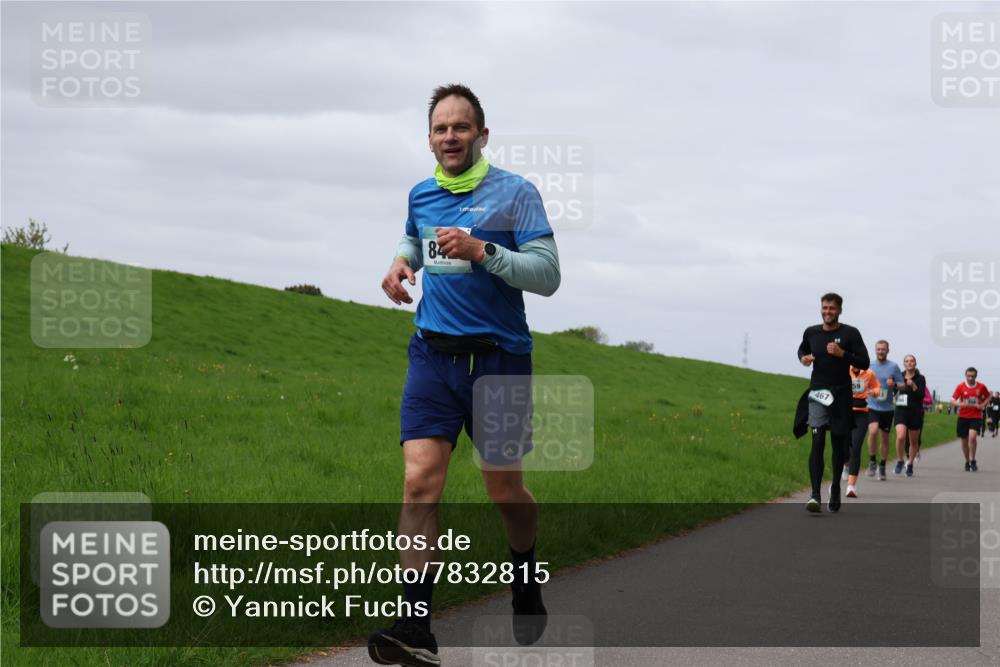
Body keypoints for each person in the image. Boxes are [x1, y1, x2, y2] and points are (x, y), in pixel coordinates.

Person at [371, 84, 560, 666]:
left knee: (504, 491)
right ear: (429, 138)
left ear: (482, 134)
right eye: (439, 129)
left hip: (499, 359)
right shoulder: (422, 193)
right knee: (419, 481)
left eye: (460, 127)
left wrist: (485, 252)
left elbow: (548, 275)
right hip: (432, 355)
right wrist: (402, 260)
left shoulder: (517, 194)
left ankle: (524, 574)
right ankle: (416, 625)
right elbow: (414, 235)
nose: (449, 137)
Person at [796, 293, 870, 513]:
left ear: (839, 311)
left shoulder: (850, 333)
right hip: (818, 392)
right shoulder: (812, 332)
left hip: (841, 394)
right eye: (824, 308)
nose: (827, 312)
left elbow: (864, 362)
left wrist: (843, 354)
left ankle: (836, 486)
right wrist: (803, 358)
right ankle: (815, 495)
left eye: (832, 309)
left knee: (838, 445)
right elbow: (802, 349)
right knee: (817, 440)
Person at [864, 340, 903, 481]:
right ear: (875, 350)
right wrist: (868, 391)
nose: (881, 352)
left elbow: (903, 385)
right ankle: (872, 461)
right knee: (873, 431)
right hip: (872, 405)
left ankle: (882, 466)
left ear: (888, 350)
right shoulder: (869, 365)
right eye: (878, 349)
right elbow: (862, 383)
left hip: (887, 408)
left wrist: (895, 384)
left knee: (885, 439)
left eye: (883, 349)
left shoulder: (893, 367)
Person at [845, 364, 880, 498]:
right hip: (844, 412)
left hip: (861, 413)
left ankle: (851, 486)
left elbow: (877, 388)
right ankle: (845, 464)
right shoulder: (843, 370)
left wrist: (874, 392)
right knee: (843, 447)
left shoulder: (869, 373)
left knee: (856, 447)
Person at [950, 367, 991, 472]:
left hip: (975, 416)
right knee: (964, 441)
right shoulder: (960, 386)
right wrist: (960, 404)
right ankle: (967, 461)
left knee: (972, 437)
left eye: (972, 376)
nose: (970, 378)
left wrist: (982, 405)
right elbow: (952, 400)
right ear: (965, 375)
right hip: (963, 416)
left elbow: (989, 396)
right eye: (968, 376)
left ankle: (973, 460)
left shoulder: (981, 386)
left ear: (975, 376)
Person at [892, 355, 925, 478]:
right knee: (900, 436)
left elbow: (921, 396)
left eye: (912, 361)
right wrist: (892, 388)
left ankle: (910, 463)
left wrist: (914, 386)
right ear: (904, 364)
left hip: (915, 412)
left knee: (913, 442)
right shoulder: (899, 376)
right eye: (907, 361)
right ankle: (900, 460)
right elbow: (893, 392)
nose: (909, 363)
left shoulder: (920, 378)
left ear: (915, 363)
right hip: (901, 410)